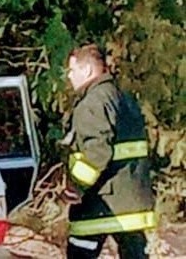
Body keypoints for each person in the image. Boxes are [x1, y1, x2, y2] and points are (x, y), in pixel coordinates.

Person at [63, 44, 155, 258]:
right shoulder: (123, 98)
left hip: (101, 202)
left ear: (86, 70)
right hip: (131, 200)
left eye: (72, 70)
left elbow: (97, 152)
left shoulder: (93, 102)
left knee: (80, 251)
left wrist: (76, 187)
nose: (69, 77)